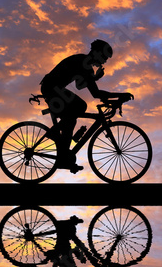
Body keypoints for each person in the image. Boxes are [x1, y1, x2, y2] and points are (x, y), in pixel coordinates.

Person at [40, 39, 134, 173]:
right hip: (51, 88)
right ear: (96, 53)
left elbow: (79, 86)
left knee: (75, 112)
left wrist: (94, 79)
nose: (105, 61)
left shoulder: (86, 65)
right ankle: (60, 149)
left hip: (54, 88)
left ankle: (61, 146)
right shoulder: (82, 63)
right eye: (104, 57)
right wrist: (120, 95)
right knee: (77, 109)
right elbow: (96, 93)